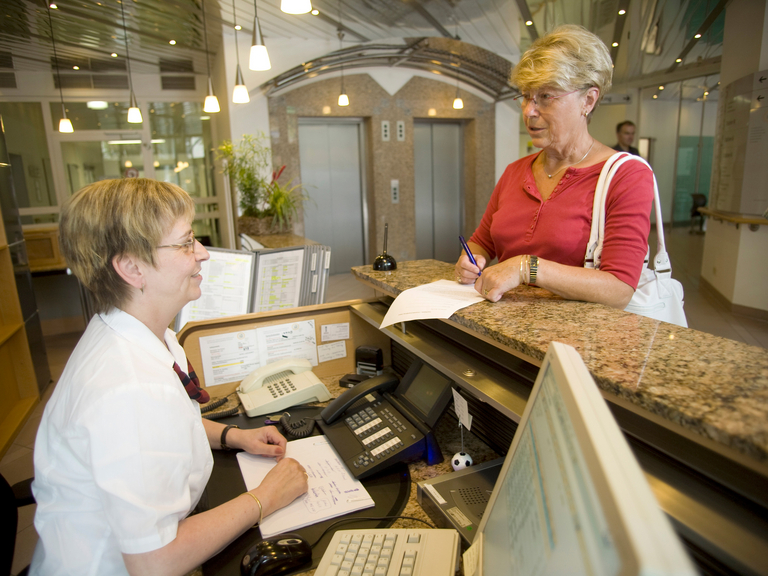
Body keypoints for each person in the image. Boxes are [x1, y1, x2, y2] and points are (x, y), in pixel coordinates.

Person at [30, 179, 308, 575]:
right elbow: (154, 562)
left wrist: (232, 436)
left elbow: (170, 420)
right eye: (185, 243)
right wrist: (267, 497)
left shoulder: (135, 330)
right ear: (132, 268)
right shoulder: (128, 388)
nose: (203, 254)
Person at [455, 25, 653, 309]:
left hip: (575, 343)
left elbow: (619, 288)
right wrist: (469, 262)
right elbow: (480, 242)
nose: (529, 111)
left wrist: (527, 268)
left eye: (546, 97)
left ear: (588, 99)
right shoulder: (515, 171)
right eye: (526, 96)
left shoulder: (627, 175)